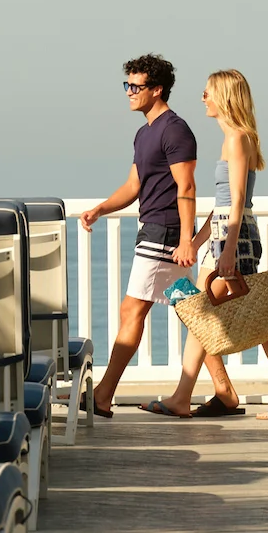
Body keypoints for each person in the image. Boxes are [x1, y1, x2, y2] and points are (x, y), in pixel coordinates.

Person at [147, 69, 268, 421]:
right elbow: (224, 205)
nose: (202, 98)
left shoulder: (237, 138)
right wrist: (194, 241)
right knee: (205, 313)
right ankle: (183, 395)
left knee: (226, 315)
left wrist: (228, 250)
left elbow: (236, 202)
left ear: (223, 96)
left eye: (207, 92)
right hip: (226, 232)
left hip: (234, 236)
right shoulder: (237, 137)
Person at [81, 54, 201, 417]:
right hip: (153, 228)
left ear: (157, 89)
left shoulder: (175, 129)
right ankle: (225, 392)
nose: (130, 92)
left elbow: (187, 186)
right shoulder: (144, 132)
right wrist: (101, 209)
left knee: (131, 310)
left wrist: (185, 240)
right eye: (127, 85)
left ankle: (102, 396)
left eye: (137, 86)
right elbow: (134, 185)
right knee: (194, 312)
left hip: (164, 232)